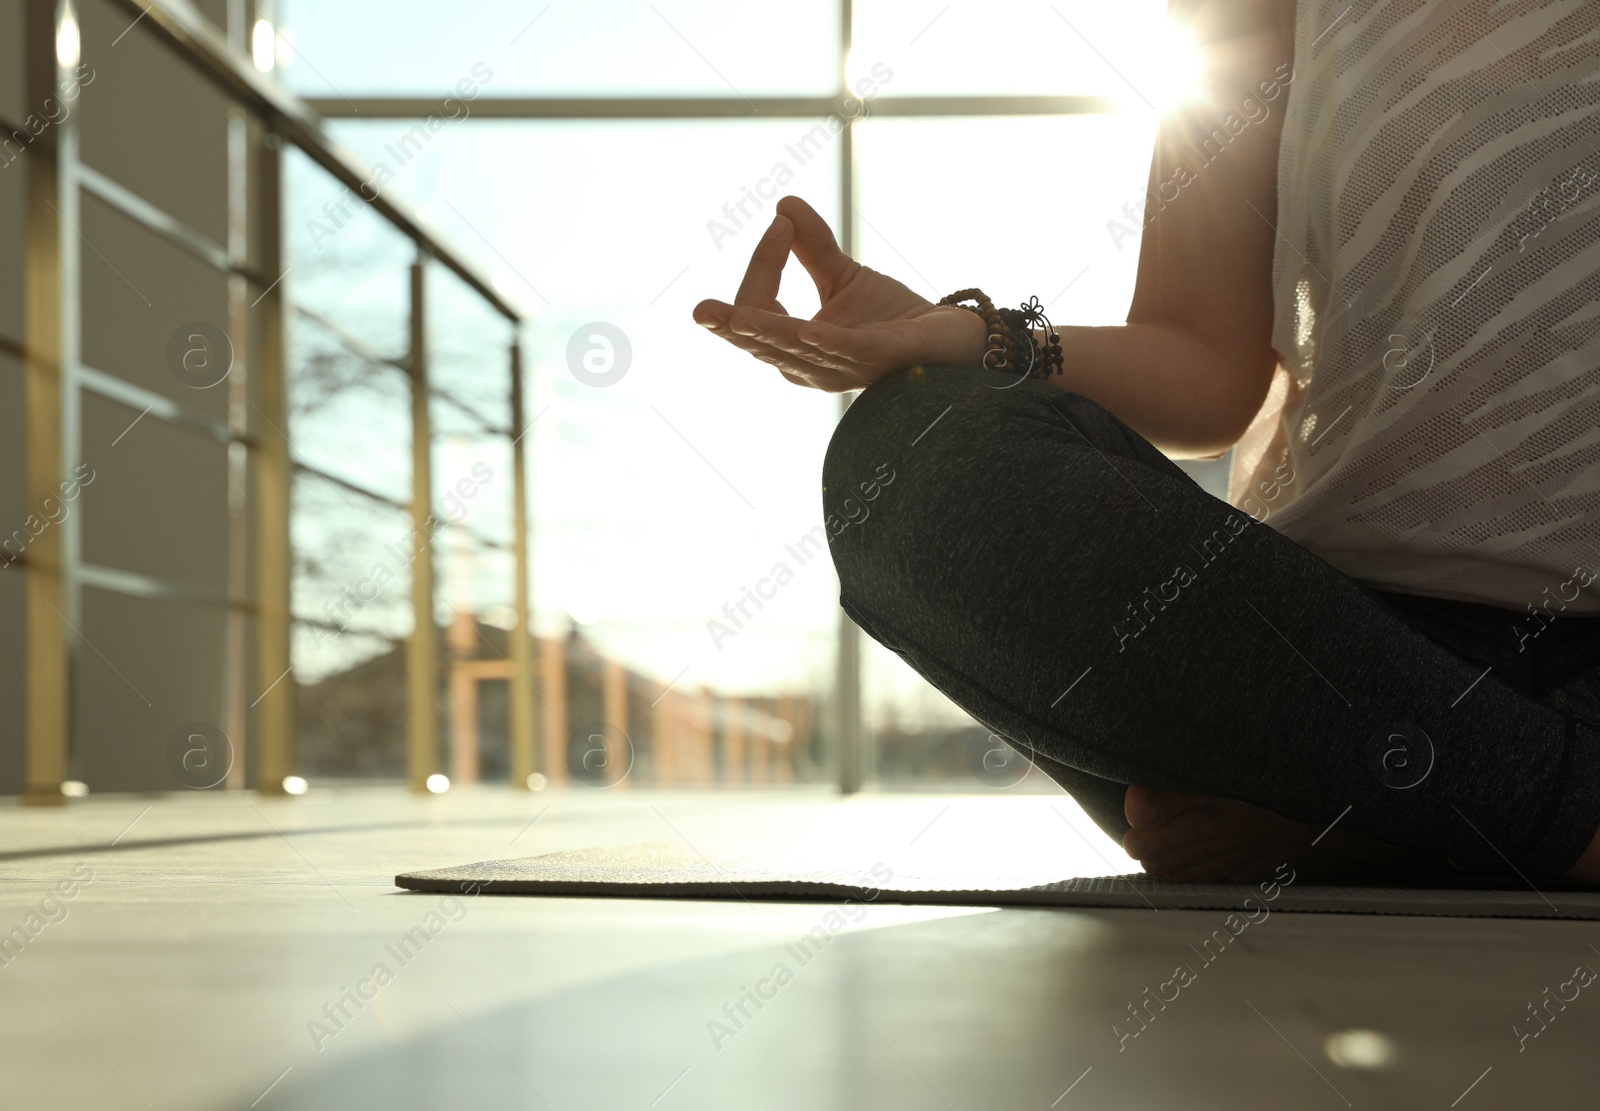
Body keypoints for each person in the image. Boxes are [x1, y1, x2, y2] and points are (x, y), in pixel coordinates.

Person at [692, 0, 1600, 883]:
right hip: (1325, 658)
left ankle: (1386, 808)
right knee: (906, 448)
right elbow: (1204, 367)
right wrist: (970, 338)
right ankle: (1475, 801)